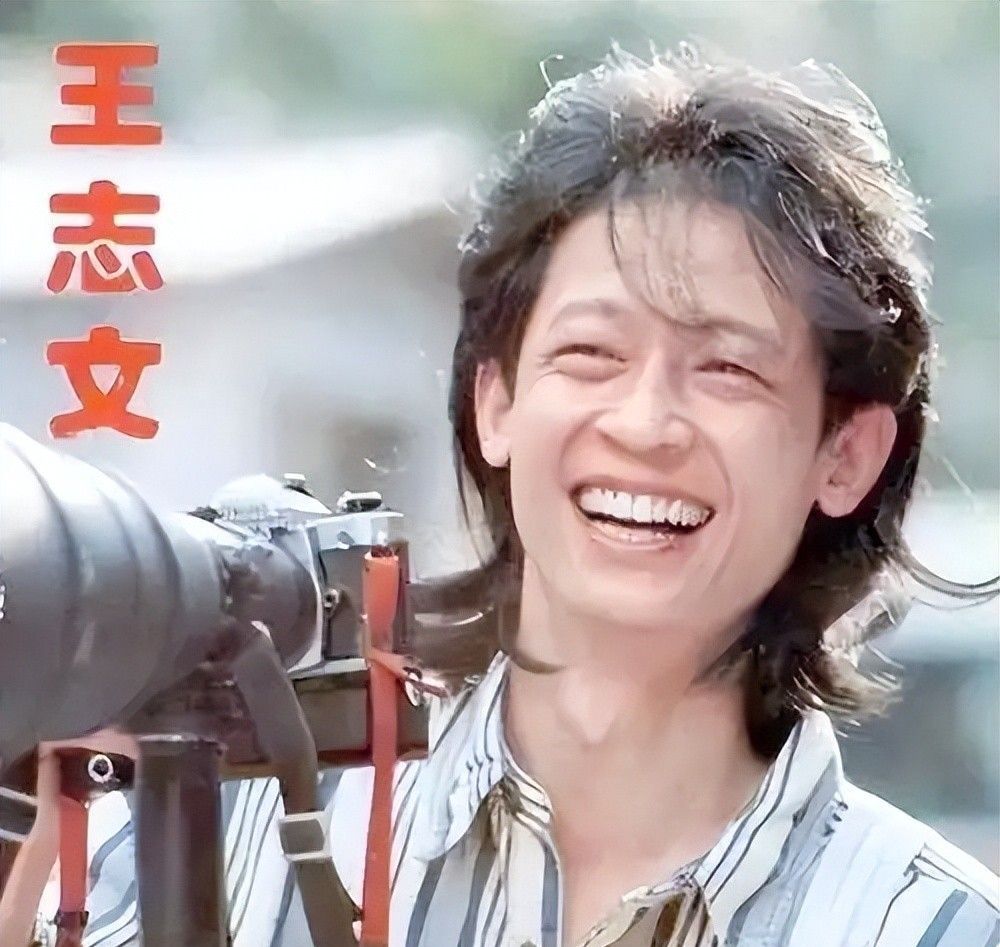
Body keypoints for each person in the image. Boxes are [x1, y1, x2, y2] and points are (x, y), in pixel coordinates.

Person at [10, 44, 999, 947]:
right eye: (591, 352)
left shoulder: (927, 927)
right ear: (496, 402)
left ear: (846, 452)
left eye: (728, 369)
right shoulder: (219, 836)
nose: (645, 422)